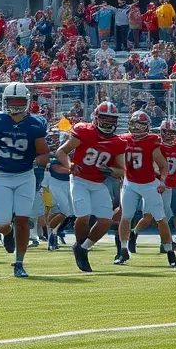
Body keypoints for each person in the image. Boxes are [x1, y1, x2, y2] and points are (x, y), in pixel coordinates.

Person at [0, 82, 49, 278]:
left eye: (19, 101)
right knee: (1, 221)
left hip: (25, 175)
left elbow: (44, 153)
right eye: (12, 101)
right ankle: (6, 233)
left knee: (23, 220)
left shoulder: (36, 123)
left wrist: (36, 163)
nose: (16, 105)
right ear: (4, 101)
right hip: (1, 176)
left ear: (27, 102)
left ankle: (19, 262)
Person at [54, 101, 123, 272]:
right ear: (96, 118)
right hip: (80, 180)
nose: (107, 123)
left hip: (99, 183)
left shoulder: (117, 142)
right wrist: (70, 164)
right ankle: (80, 245)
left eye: (111, 120)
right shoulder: (84, 132)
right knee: (83, 216)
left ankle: (83, 248)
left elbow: (122, 171)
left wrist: (110, 169)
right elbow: (61, 151)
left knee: (106, 221)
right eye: (104, 119)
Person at [118, 110, 176, 268]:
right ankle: (123, 250)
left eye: (141, 125)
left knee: (160, 218)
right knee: (126, 216)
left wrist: (163, 181)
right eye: (135, 124)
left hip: (149, 183)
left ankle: (170, 253)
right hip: (130, 183)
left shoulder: (152, 140)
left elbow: (163, 164)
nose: (137, 128)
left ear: (147, 127)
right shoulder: (123, 139)